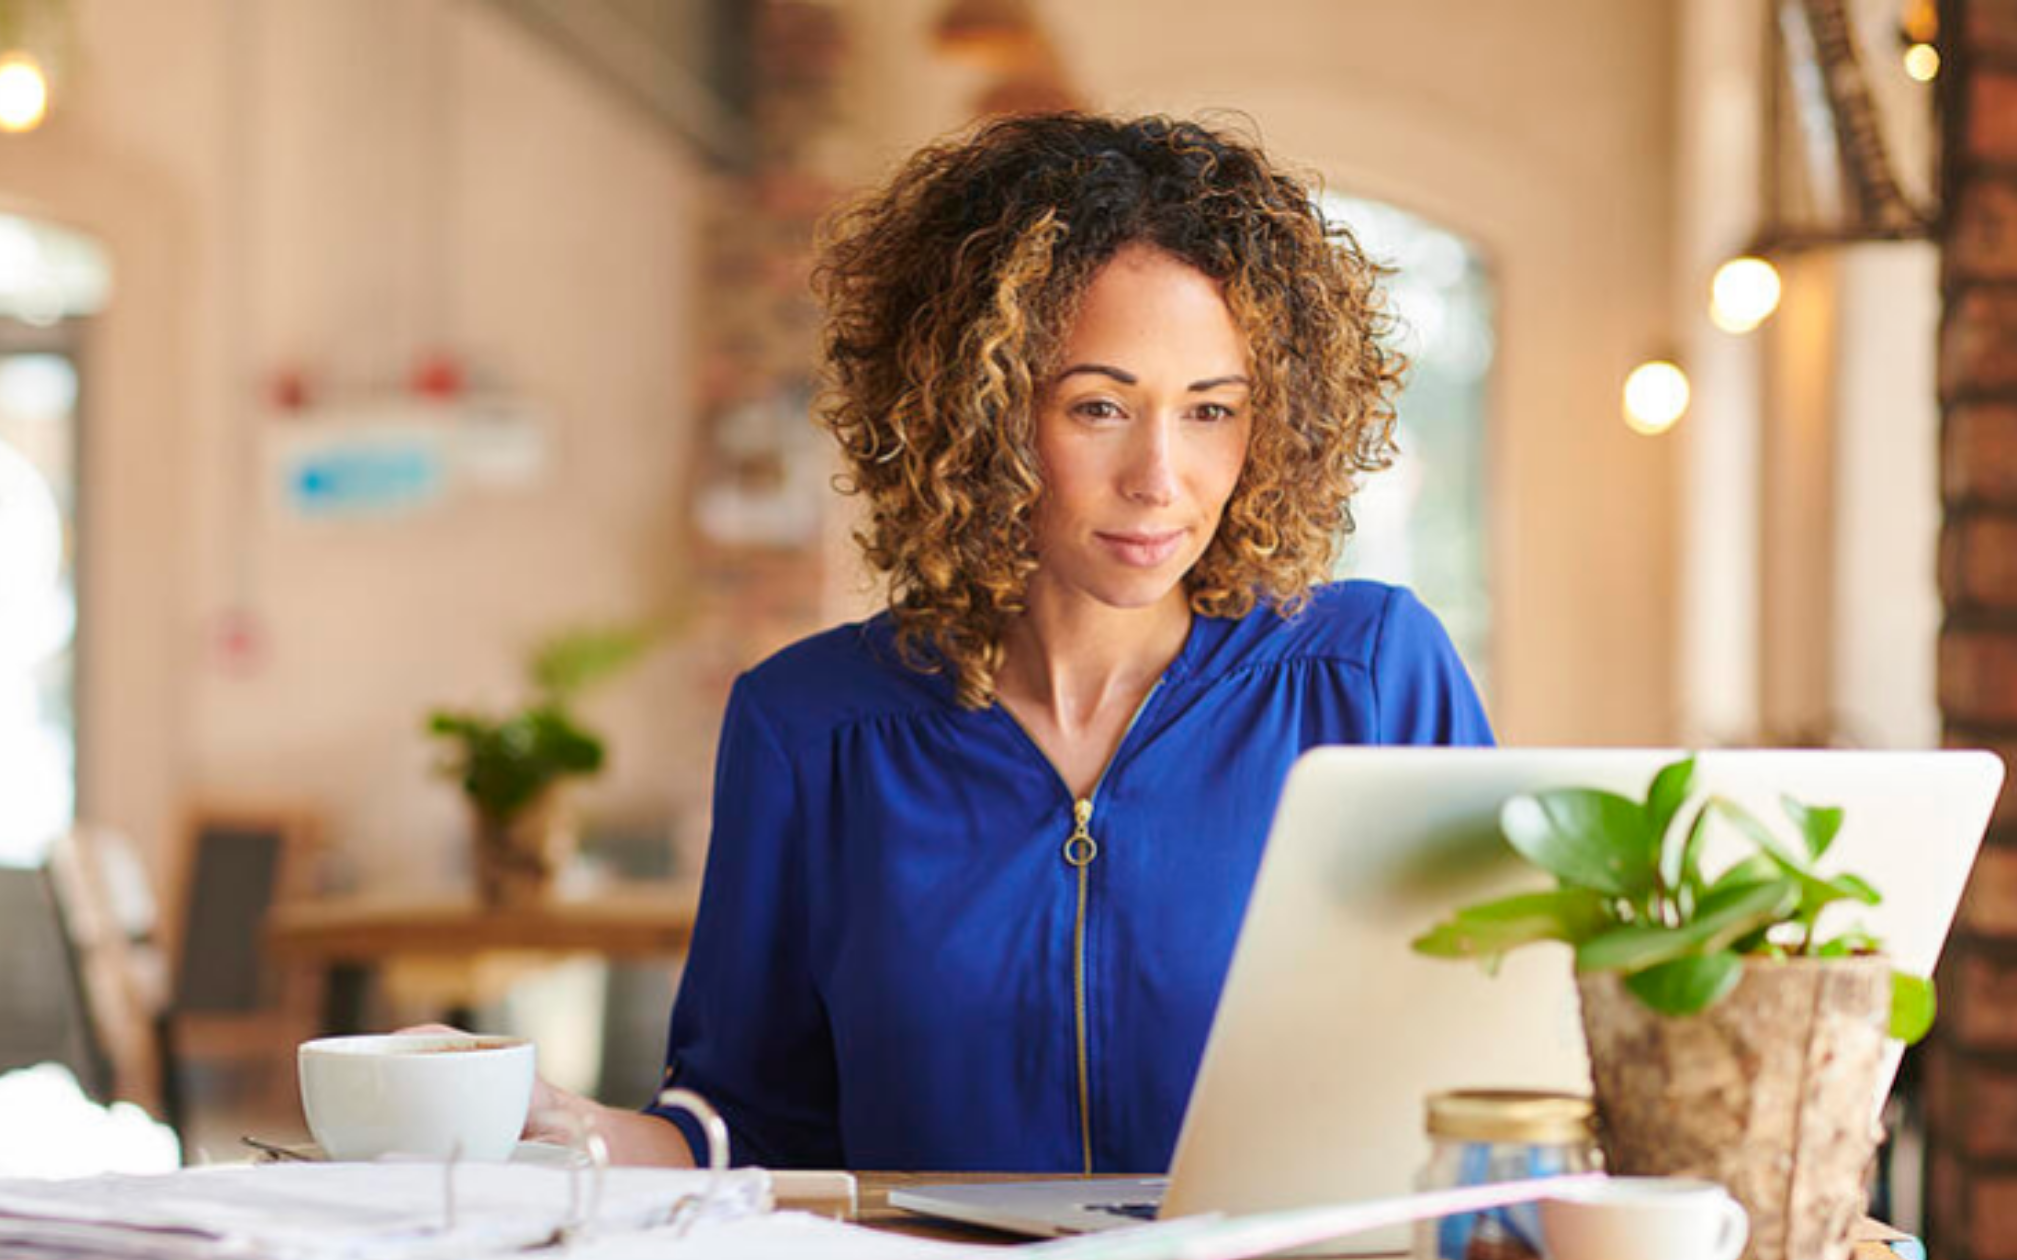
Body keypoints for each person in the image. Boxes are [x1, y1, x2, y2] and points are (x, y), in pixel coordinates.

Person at [522, 112, 1495, 1173]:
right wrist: (552, 1123)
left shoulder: (1366, 678)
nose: (1159, 478)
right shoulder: (809, 726)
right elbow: (748, 1128)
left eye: (1211, 411)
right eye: (1096, 407)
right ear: (975, 415)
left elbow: (1501, 1072)